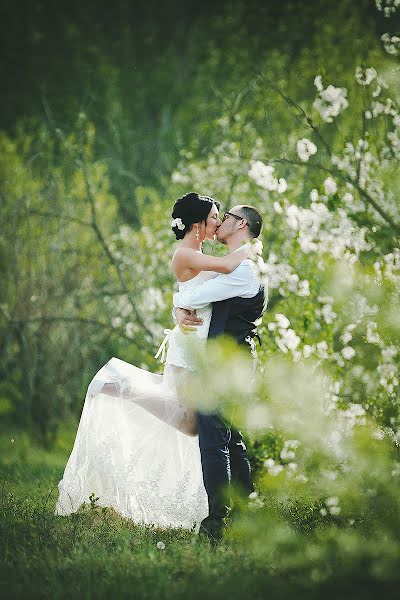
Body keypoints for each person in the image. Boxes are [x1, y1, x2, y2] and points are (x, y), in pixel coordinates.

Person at [55, 193, 249, 530]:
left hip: (197, 347)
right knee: (191, 424)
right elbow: (226, 267)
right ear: (197, 224)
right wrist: (252, 247)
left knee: (192, 424)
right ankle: (119, 382)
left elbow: (200, 290)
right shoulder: (185, 253)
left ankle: (125, 385)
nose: (218, 222)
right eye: (215, 217)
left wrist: (178, 305)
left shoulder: (198, 253)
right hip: (187, 349)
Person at [173, 204, 266, 541]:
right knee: (229, 437)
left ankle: (216, 522)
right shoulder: (239, 264)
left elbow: (195, 295)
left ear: (240, 223)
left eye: (225, 216)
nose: (220, 220)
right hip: (231, 363)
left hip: (230, 365)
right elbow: (195, 297)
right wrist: (179, 308)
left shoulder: (242, 270)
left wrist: (181, 305)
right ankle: (246, 512)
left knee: (214, 435)